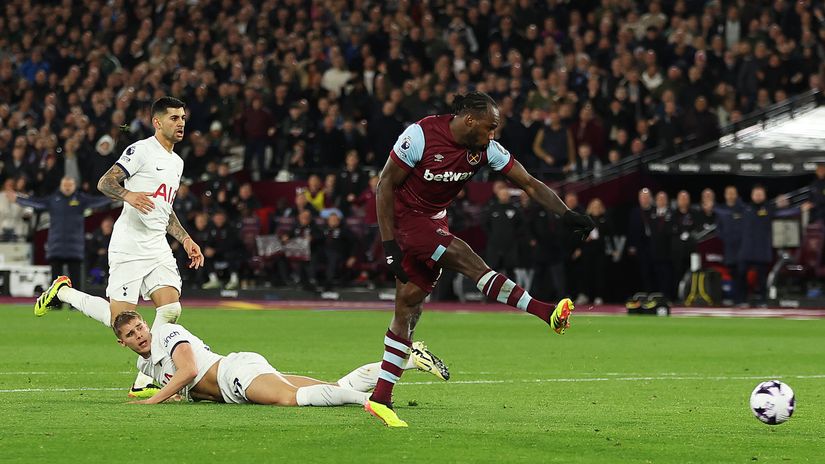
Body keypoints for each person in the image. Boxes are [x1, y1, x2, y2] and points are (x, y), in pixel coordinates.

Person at [367, 91, 595, 427]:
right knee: (466, 258)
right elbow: (384, 185)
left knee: (409, 302)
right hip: (405, 220)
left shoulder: (484, 149)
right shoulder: (420, 135)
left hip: (434, 220)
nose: (493, 134)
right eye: (490, 127)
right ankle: (545, 311)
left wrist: (566, 214)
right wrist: (389, 246)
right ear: (469, 120)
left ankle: (380, 398)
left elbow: (529, 183)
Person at [33, 97, 205, 399]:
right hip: (128, 245)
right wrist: (128, 194)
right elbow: (105, 182)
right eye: (174, 118)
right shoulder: (140, 150)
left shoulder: (177, 162)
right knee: (121, 321)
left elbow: (164, 209)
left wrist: (186, 238)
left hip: (157, 246)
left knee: (171, 309)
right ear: (157, 122)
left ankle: (144, 377)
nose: (180, 123)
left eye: (183, 118)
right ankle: (62, 291)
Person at [113, 310, 450, 406]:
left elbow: (187, 371)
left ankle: (370, 400)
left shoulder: (168, 334)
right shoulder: (146, 363)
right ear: (122, 343)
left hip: (236, 374)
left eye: (140, 327)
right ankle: (405, 360)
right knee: (332, 386)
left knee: (290, 399)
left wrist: (153, 401)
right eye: (131, 334)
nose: (140, 335)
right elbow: (182, 386)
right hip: (235, 383)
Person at [15, 176, 111, 283]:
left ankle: (74, 300)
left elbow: (96, 201)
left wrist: (111, 197)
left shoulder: (81, 199)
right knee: (56, 282)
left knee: (75, 281)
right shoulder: (53, 199)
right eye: (65, 185)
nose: (67, 187)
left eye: (70, 185)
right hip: (56, 247)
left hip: (75, 248)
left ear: (75, 186)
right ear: (60, 186)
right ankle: (56, 300)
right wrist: (18, 199)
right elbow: (37, 202)